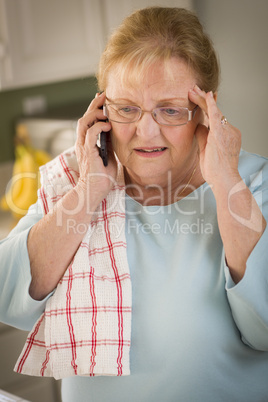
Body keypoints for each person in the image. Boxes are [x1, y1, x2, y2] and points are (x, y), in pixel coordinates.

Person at [0, 6, 268, 402]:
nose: (145, 132)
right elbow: (9, 300)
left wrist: (225, 178)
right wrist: (91, 190)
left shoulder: (252, 184)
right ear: (102, 109)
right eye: (127, 108)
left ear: (208, 110)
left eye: (170, 110)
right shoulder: (77, 179)